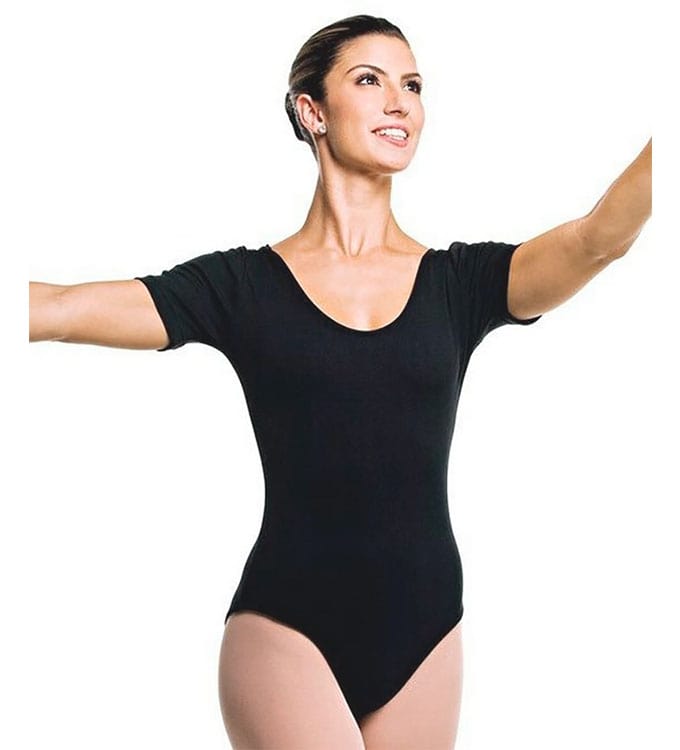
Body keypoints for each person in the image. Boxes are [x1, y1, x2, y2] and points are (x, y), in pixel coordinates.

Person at [28, 13, 651, 750]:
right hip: (287, 627)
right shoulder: (242, 288)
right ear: (312, 112)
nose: (400, 103)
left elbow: (596, 239)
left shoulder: (461, 284)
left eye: (413, 86)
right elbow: (57, 309)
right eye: (369, 80)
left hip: (427, 633)